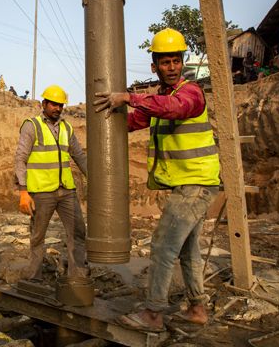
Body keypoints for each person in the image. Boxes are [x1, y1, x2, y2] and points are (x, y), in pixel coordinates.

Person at [93, 28, 220, 332]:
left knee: (163, 245)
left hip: (196, 186)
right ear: (155, 66)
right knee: (188, 251)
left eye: (175, 60)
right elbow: (134, 121)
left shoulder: (190, 93)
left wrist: (130, 97)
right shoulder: (162, 99)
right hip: (189, 185)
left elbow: (174, 108)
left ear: (182, 61)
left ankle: (153, 314)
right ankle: (197, 308)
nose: (172, 67)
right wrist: (106, 120)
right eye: (165, 62)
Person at [15, 85, 89, 281]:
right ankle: (34, 278)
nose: (57, 108)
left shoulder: (67, 128)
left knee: (78, 233)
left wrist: (95, 180)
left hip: (66, 191)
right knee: (38, 236)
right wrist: (23, 191)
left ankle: (77, 276)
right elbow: (20, 159)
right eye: (53, 104)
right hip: (41, 191)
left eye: (60, 105)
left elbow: (79, 156)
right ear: (44, 104)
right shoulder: (32, 126)